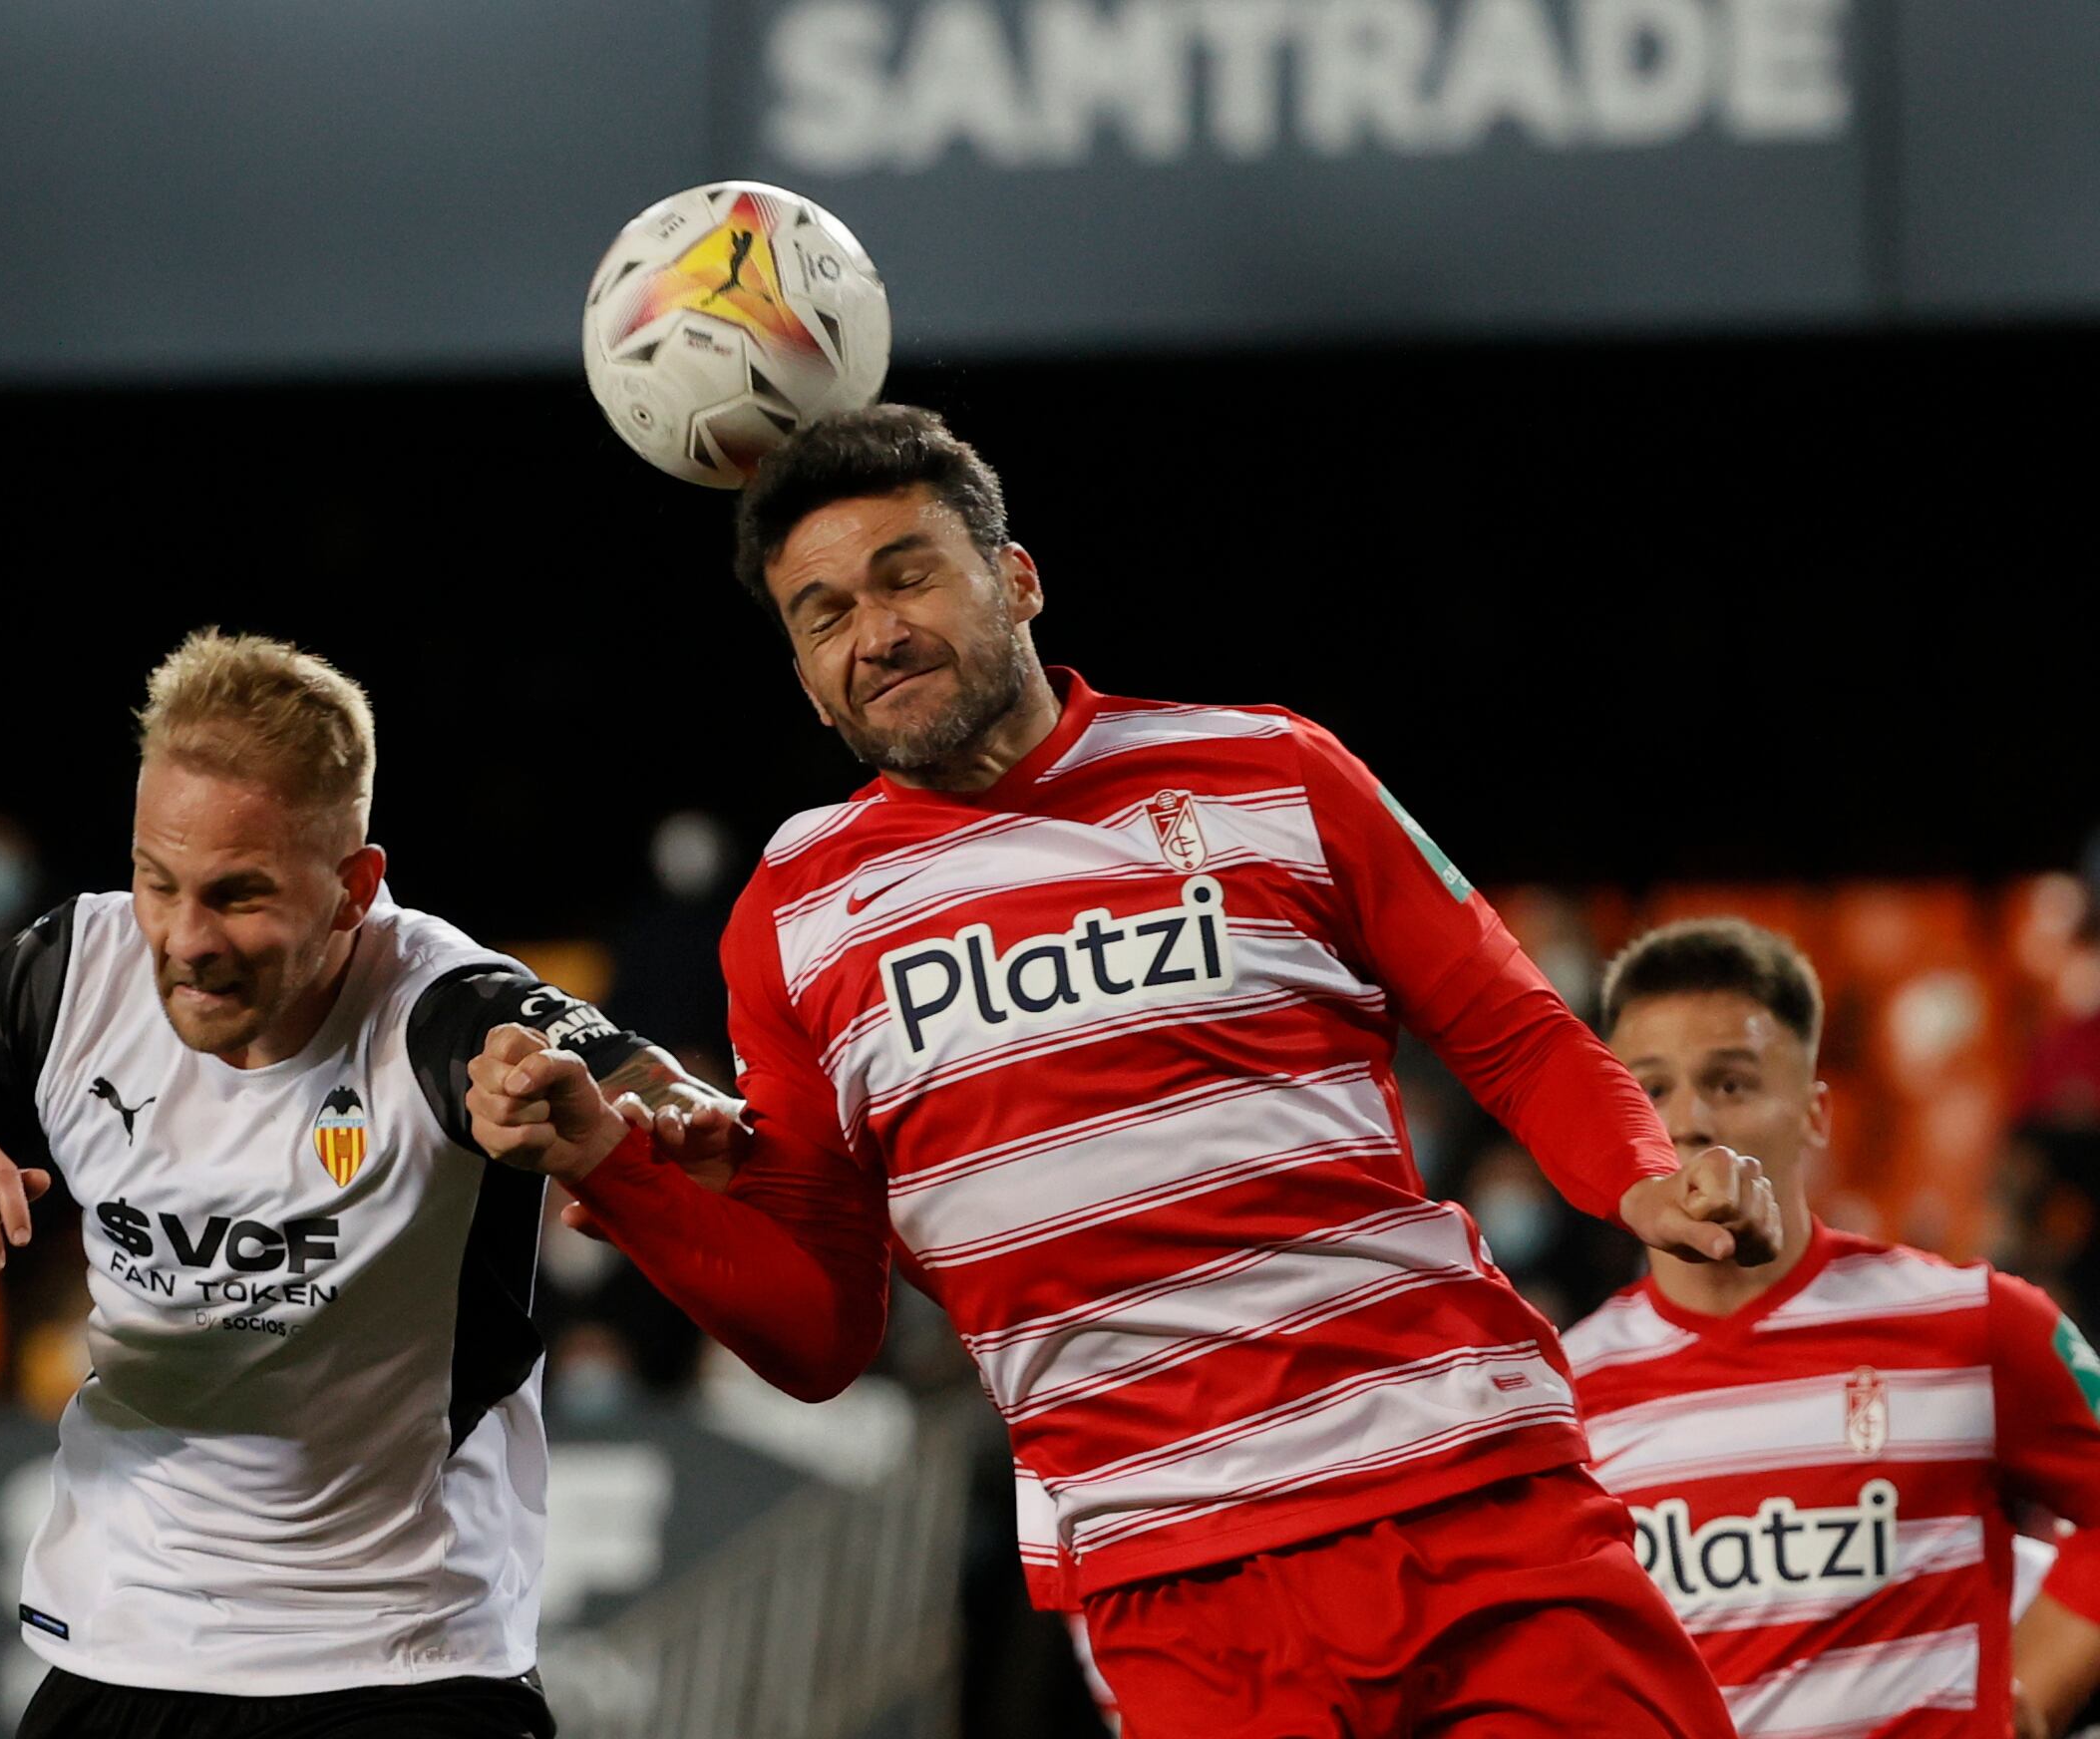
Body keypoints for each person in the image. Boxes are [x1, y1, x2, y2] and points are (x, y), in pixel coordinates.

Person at [465, 404, 1776, 1737]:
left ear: (1016, 578)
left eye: (909, 574)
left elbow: (1514, 1029)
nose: (877, 635)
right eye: (824, 615)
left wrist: (1648, 1179)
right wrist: (614, 1173)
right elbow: (819, 1334)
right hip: (1173, 1591)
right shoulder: (792, 918)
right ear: (805, 675)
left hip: (1469, 1497)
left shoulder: (1272, 771)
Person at [0, 629, 728, 1739]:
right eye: (156, 880)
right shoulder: (59, 977)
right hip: (123, 1651)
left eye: (240, 895)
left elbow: (684, 1108)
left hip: (405, 1669)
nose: (183, 939)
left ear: (356, 888)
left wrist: (623, 1123)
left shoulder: (446, 1007)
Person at [1564, 918, 2100, 1739]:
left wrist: (2034, 1691)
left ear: (1815, 1114)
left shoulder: (1974, 1323)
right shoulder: (1561, 1394)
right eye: (1650, 1088)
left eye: (1732, 1083)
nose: (1688, 1121)